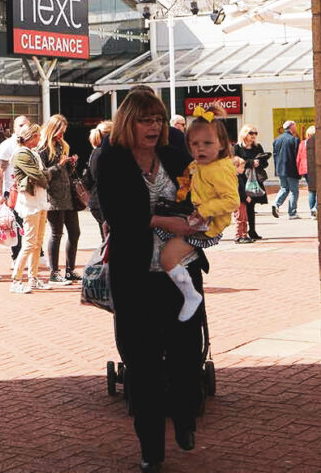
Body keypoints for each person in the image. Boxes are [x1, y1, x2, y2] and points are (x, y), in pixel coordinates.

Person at [97, 90, 207, 471]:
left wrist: (201, 216)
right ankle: (151, 450)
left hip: (180, 276)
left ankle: (185, 416)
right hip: (135, 278)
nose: (154, 126)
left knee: (187, 355)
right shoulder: (111, 160)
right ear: (129, 122)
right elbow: (117, 214)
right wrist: (163, 220)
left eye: (158, 119)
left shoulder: (175, 157)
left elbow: (201, 196)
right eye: (146, 120)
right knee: (142, 366)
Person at [156, 113, 239, 322]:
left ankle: (190, 295)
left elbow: (232, 200)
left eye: (207, 143)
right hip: (197, 217)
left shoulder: (219, 169)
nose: (200, 148)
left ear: (222, 144)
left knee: (166, 258)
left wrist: (205, 210)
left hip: (207, 225)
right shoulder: (201, 165)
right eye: (194, 144)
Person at [8, 123, 56, 293]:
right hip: (29, 203)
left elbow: (42, 175)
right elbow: (39, 177)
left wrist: (44, 176)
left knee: (37, 242)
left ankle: (33, 278)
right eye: (38, 136)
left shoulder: (33, 153)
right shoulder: (21, 153)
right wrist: (44, 176)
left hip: (40, 200)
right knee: (29, 242)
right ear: (31, 136)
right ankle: (16, 280)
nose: (40, 139)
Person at [38, 114, 81, 285]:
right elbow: (43, 175)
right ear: (52, 129)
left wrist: (71, 164)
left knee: (75, 232)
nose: (61, 135)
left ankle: (70, 270)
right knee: (56, 234)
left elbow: (66, 173)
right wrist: (60, 165)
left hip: (68, 195)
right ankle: (54, 273)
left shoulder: (63, 146)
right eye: (59, 132)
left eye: (64, 132)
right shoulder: (43, 149)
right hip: (53, 197)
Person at [0, 115, 30, 260]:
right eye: (21, 125)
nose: (25, 127)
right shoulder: (7, 145)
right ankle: (16, 256)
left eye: (27, 124)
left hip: (30, 191)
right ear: (14, 128)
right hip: (12, 191)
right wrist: (0, 194)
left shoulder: (32, 143)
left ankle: (37, 253)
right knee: (17, 224)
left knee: (30, 223)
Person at [233, 124, 269, 243]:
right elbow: (234, 162)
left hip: (254, 179)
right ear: (244, 134)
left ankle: (252, 230)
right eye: (251, 133)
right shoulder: (237, 148)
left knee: (252, 204)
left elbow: (265, 164)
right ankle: (241, 233)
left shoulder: (257, 147)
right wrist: (251, 162)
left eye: (255, 133)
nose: (254, 135)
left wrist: (261, 162)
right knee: (243, 205)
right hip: (242, 179)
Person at [84, 121, 113, 234]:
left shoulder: (94, 152)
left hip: (96, 201)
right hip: (105, 201)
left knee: (105, 237)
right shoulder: (106, 153)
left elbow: (89, 179)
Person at [271, 120, 301, 219]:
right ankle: (292, 213)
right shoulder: (294, 140)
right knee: (294, 191)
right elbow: (297, 156)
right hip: (292, 169)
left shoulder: (276, 140)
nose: (296, 128)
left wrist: (277, 169)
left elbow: (275, 156)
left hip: (280, 169)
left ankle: (276, 204)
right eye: (295, 126)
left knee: (284, 188)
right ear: (291, 127)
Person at [307, 126, 317, 219]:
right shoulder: (317, 140)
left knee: (312, 191)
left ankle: (312, 211)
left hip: (309, 169)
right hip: (317, 168)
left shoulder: (306, 141)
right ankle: (316, 208)